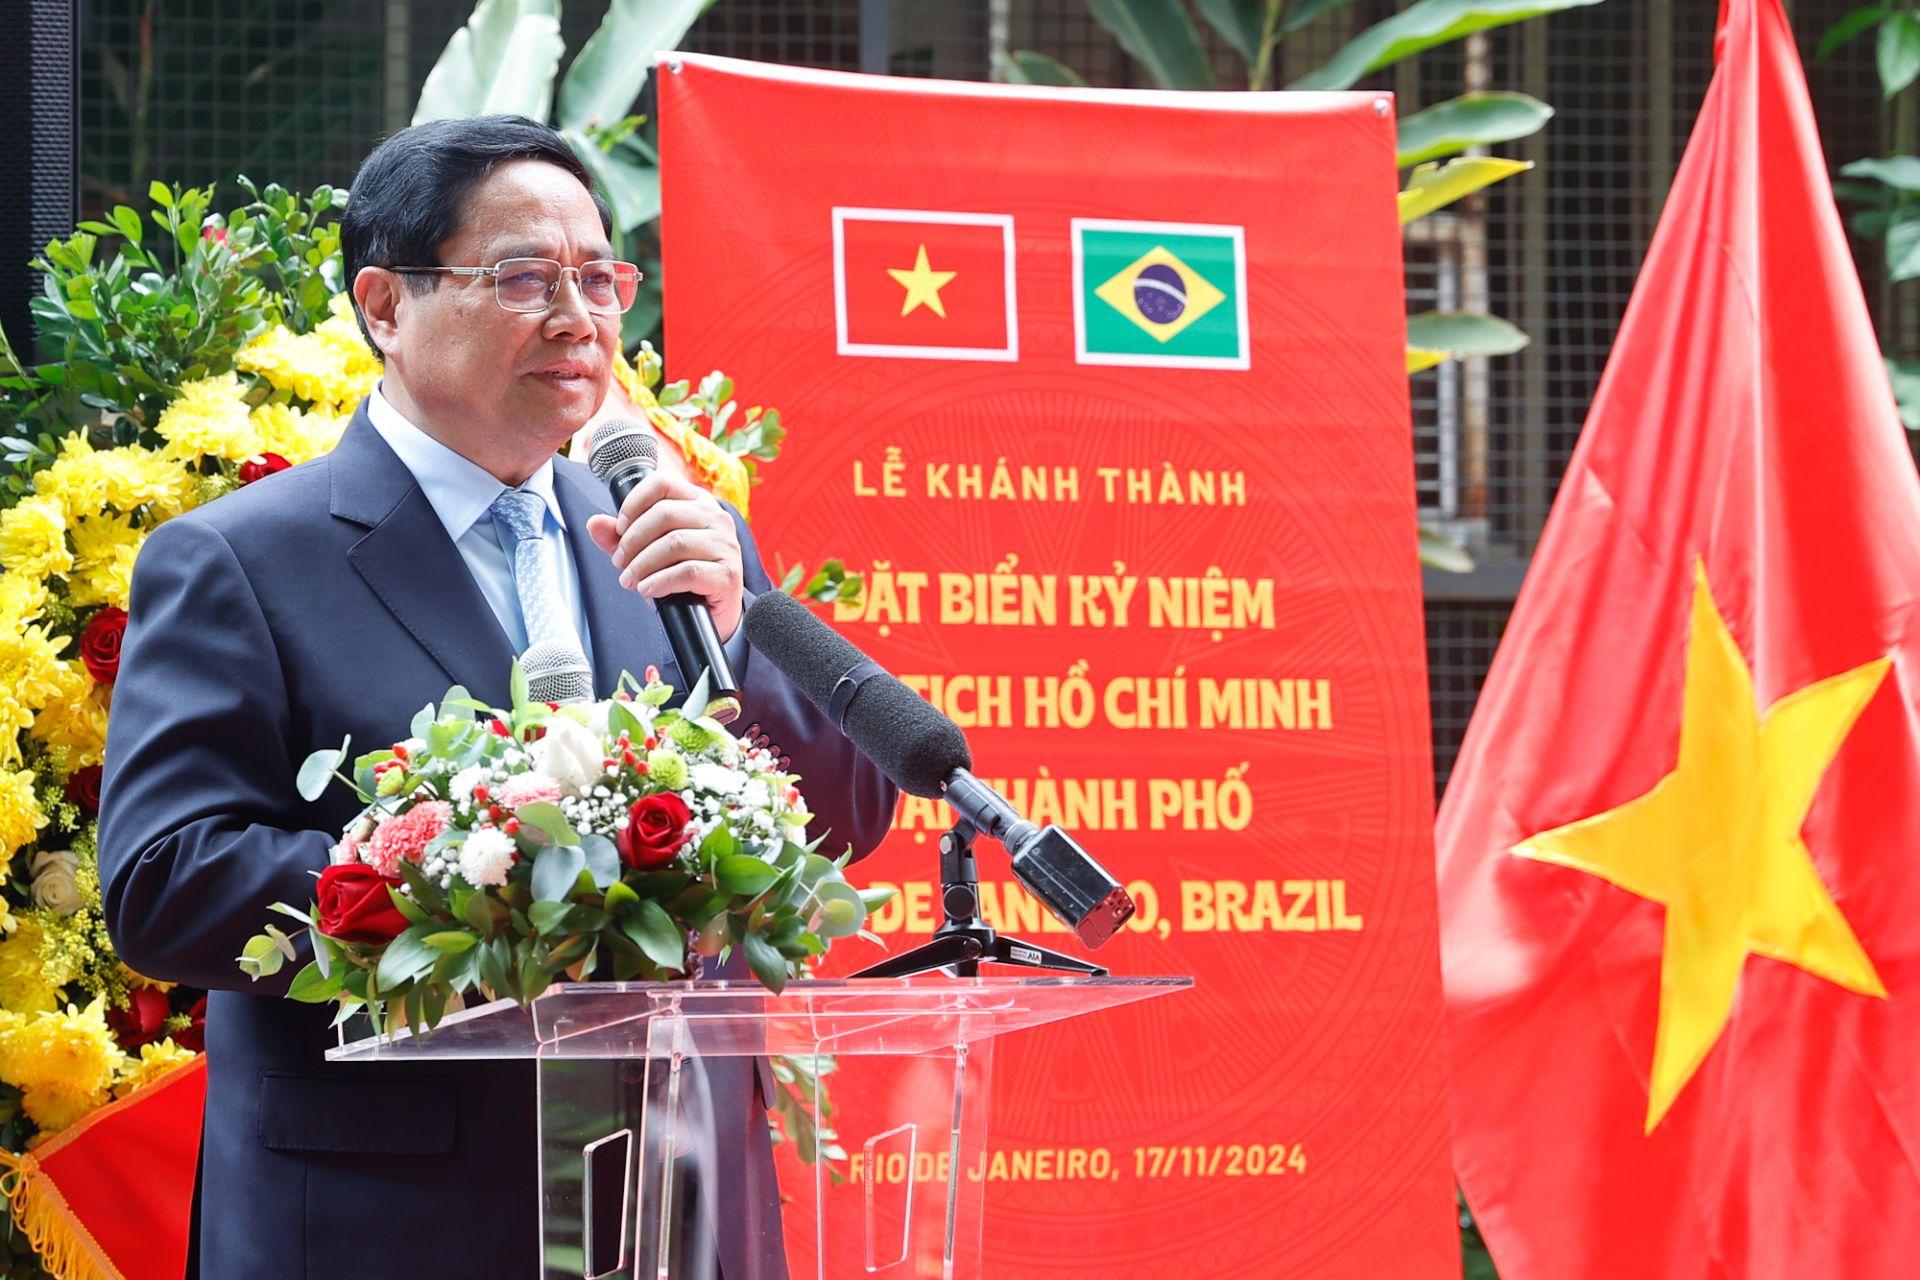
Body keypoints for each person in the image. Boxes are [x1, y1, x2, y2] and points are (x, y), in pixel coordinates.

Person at [97, 115, 898, 1279]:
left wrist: (736, 630)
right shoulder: (241, 559)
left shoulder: (677, 536)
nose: (578, 318)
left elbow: (842, 817)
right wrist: (483, 876)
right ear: (385, 304)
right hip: (391, 1217)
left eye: (600, 279)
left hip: (674, 1205)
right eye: (524, 278)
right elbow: (165, 884)